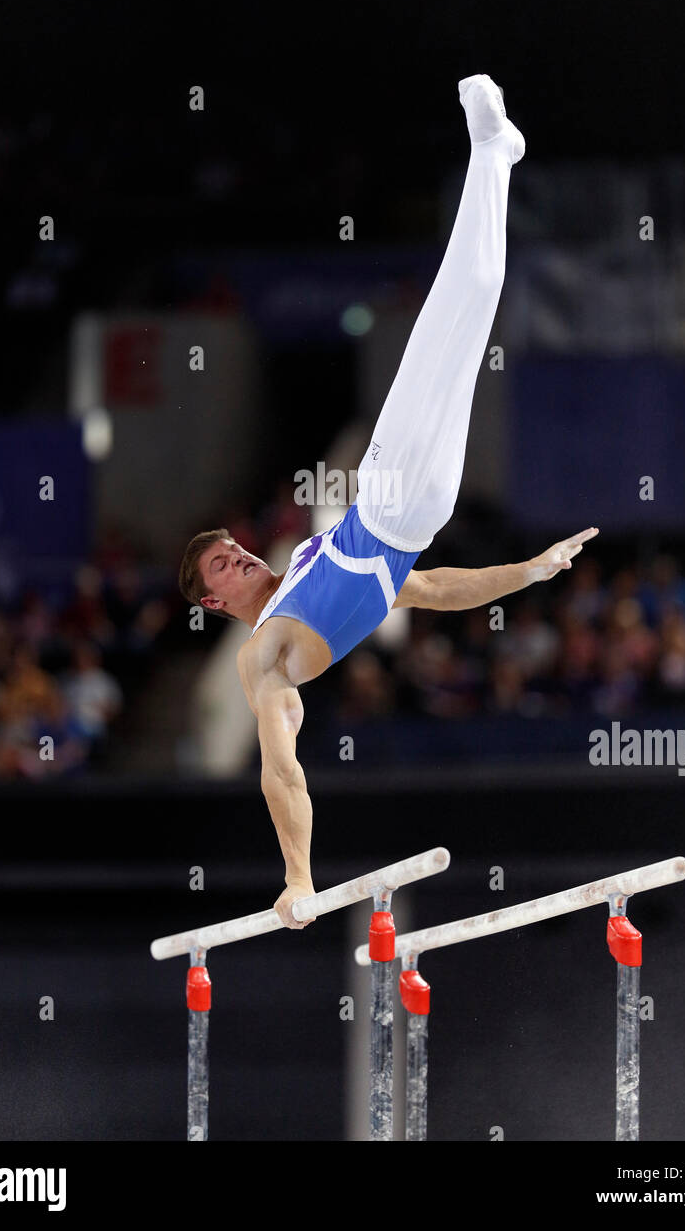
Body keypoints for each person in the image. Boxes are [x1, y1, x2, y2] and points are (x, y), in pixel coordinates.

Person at [178, 75, 598, 929]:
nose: (241, 556)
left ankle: (497, 155)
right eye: (223, 564)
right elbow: (280, 771)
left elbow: (432, 591)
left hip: (396, 497)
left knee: (468, 305)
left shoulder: (304, 565)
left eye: (233, 547)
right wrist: (299, 878)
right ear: (213, 600)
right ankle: (491, 151)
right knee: (459, 309)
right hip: (405, 498)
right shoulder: (264, 662)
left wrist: (526, 569)